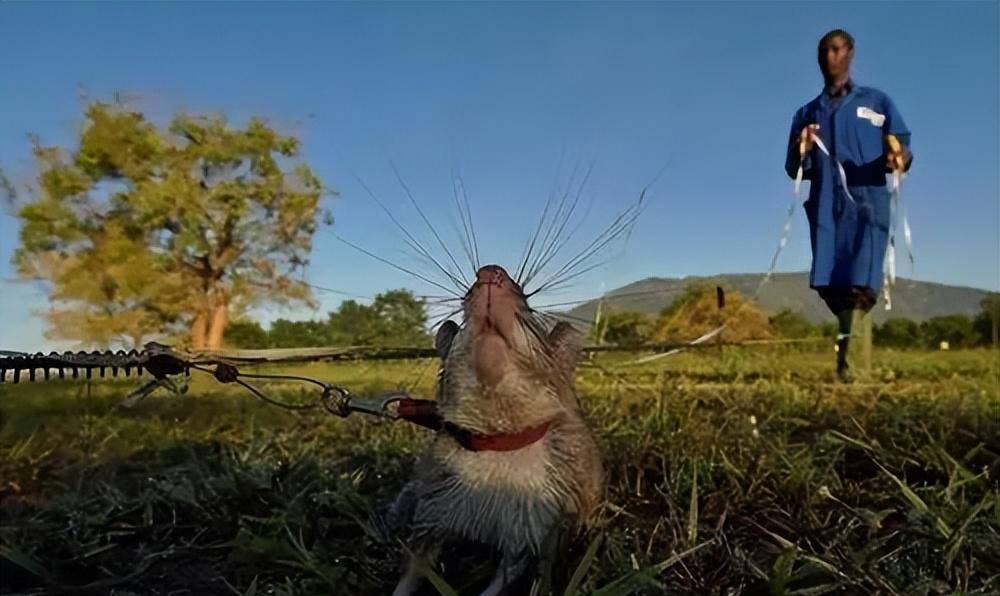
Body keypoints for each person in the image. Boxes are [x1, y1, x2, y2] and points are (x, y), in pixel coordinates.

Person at [784, 29, 912, 381]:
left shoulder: (877, 103)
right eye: (824, 51)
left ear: (851, 52)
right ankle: (853, 366)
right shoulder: (807, 113)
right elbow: (792, 169)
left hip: (868, 206)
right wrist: (801, 149)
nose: (830, 57)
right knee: (834, 287)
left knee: (860, 287)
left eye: (837, 49)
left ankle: (853, 374)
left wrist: (897, 156)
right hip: (826, 209)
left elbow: (902, 149)